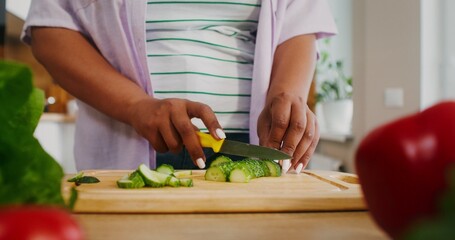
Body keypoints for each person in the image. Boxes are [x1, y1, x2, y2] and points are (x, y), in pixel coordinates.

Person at [21, 0, 337, 173]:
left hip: (246, 148)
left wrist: (288, 93)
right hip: (131, 143)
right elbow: (51, 32)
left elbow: (300, 24)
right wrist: (136, 106)